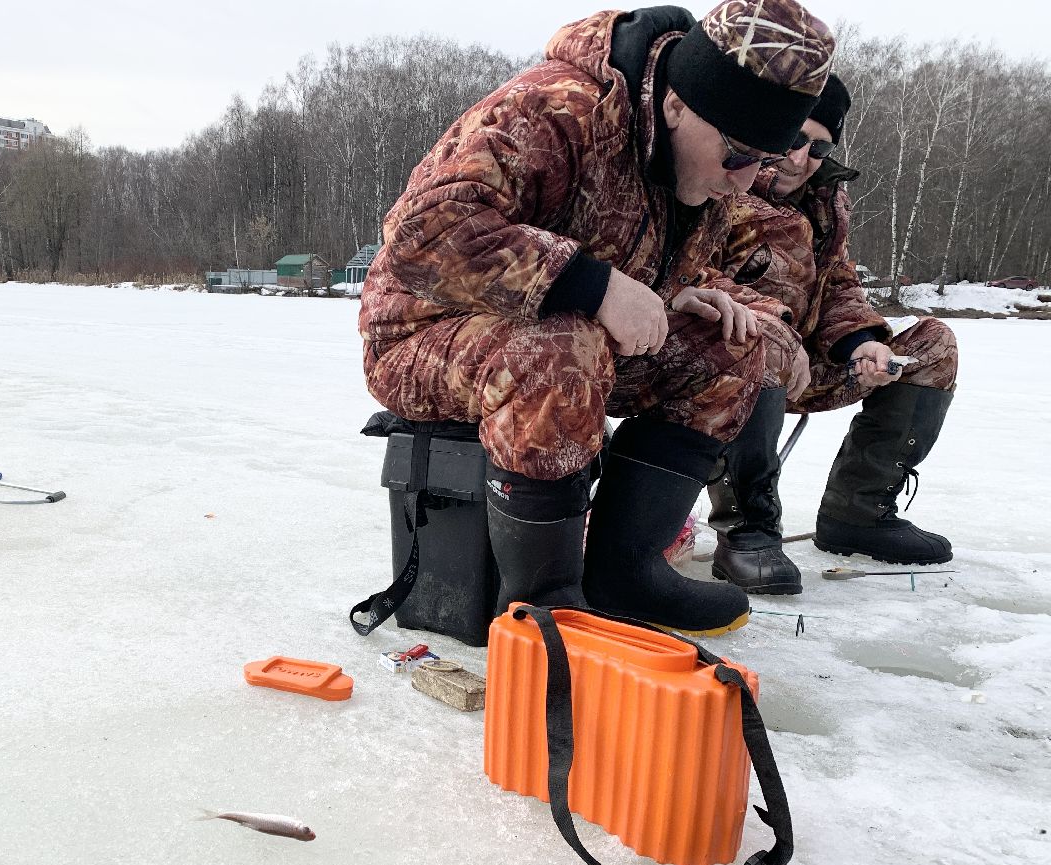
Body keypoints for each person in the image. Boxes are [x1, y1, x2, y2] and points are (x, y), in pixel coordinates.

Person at [358, 0, 836, 636]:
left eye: (765, 163)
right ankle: (546, 605)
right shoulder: (555, 109)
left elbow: (639, 260)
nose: (745, 183)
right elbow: (420, 234)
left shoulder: (701, 167)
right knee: (561, 347)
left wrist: (684, 294)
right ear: (676, 106)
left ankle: (625, 571)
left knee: (736, 350)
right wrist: (595, 286)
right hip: (424, 335)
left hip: (568, 337)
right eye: (736, 156)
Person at [708, 73, 958, 594]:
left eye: (818, 147)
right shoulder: (712, 181)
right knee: (764, 341)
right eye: (794, 139)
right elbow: (688, 278)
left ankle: (857, 513)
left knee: (933, 347)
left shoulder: (826, 201)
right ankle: (748, 529)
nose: (801, 159)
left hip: (804, 366)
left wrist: (860, 342)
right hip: (714, 371)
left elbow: (838, 283)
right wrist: (772, 331)